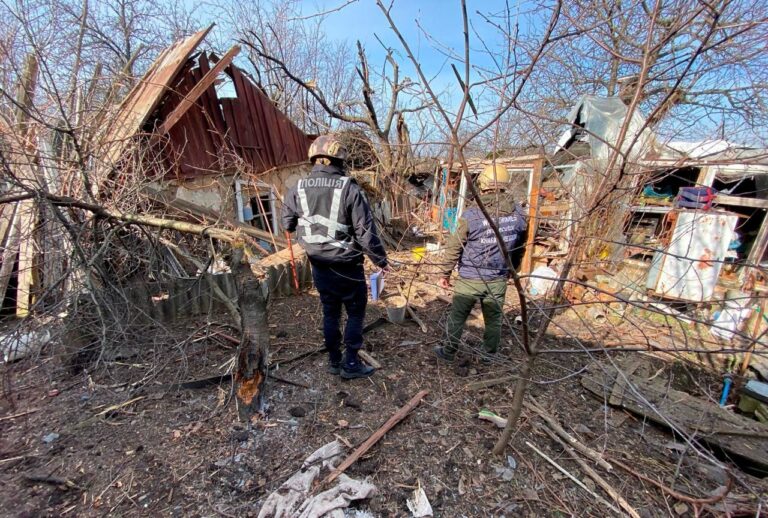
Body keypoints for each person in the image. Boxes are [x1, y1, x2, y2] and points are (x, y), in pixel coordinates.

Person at [282, 135, 389, 379]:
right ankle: (350, 363)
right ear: (339, 160)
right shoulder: (350, 189)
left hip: (319, 266)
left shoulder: (296, 189)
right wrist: (381, 261)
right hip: (347, 266)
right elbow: (366, 234)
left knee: (330, 312)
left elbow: (287, 225)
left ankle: (333, 360)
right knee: (355, 312)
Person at [434, 163, 527, 362]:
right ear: (506, 184)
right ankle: (489, 354)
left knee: (458, 317)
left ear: (482, 185)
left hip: (470, 278)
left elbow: (454, 246)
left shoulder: (472, 215)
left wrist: (445, 273)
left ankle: (448, 352)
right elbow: (520, 246)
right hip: (498, 278)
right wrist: (514, 268)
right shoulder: (518, 214)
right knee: (494, 319)